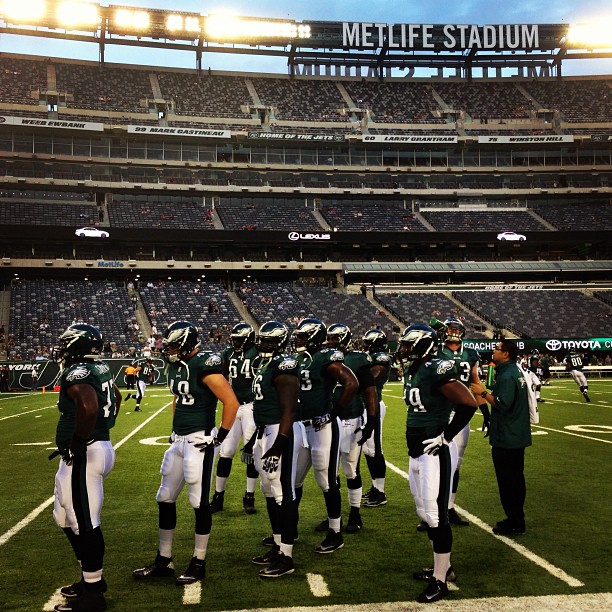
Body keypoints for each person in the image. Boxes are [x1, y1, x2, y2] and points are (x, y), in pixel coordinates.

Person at [132, 321, 239, 586]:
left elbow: (231, 401)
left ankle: (198, 561)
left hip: (198, 441)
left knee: (198, 501)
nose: (169, 349)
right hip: (178, 440)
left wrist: (219, 436)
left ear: (189, 343)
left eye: (175, 344)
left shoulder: (204, 364)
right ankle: (164, 559)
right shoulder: (176, 367)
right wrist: (173, 428)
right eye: (168, 344)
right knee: (165, 497)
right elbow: (177, 399)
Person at [396, 323, 478, 604]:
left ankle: (441, 580)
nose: (404, 349)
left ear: (424, 345)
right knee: (424, 513)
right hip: (416, 450)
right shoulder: (416, 368)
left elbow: (468, 404)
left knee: (436, 515)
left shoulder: (437, 368)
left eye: (409, 345)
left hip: (435, 451)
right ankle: (443, 567)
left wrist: (446, 436)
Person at [50, 324, 121, 612]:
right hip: (89, 450)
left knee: (85, 522)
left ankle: (93, 593)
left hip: (86, 453)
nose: (62, 349)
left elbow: (90, 407)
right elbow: (114, 396)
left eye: (66, 344)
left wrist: (79, 441)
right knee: (64, 517)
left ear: (76, 346)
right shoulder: (100, 368)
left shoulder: (77, 372)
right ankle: (89, 578)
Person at [293, 317, 358, 554]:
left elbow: (351, 383)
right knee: (294, 481)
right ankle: (290, 529)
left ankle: (335, 532)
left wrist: (334, 412)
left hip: (322, 427)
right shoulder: (300, 359)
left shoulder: (325, 358)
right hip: (301, 427)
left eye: (303, 336)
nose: (298, 340)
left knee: (326, 481)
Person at [248, 320, 301, 578]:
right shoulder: (265, 364)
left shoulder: (285, 365)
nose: (263, 344)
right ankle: (279, 545)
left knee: (283, 493)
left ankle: (287, 556)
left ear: (280, 342)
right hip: (264, 431)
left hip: (280, 431)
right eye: (262, 340)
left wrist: (280, 443)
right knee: (268, 490)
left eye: (269, 341)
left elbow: (289, 408)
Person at [430, 317, 490, 529]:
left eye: (457, 328)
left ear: (462, 332)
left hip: (460, 412)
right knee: (432, 462)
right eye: (451, 328)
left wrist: (485, 411)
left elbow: (474, 381)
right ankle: (430, 510)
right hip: (438, 410)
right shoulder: (435, 349)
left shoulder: (470, 353)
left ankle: (449, 507)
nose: (454, 331)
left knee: (455, 464)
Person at [318, 323, 377, 534]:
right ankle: (333, 516)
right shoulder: (322, 358)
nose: (330, 342)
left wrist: (371, 421)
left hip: (350, 419)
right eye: (329, 338)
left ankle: (355, 513)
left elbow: (370, 392)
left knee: (351, 469)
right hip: (328, 421)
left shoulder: (357, 359)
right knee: (328, 472)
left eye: (334, 339)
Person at [471, 338, 532, 537]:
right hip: (515, 434)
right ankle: (516, 517)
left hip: (508, 436)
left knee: (508, 481)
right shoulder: (513, 371)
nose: (493, 352)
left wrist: (483, 393)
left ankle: (515, 521)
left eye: (497, 349)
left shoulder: (507, 375)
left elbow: (502, 404)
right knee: (515, 479)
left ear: (506, 354)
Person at [210, 322, 259, 515]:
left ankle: (249, 496)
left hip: (250, 406)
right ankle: (218, 496)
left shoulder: (256, 353)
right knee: (226, 451)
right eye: (235, 339)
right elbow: (220, 375)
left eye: (240, 339)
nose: (236, 342)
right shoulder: (228, 354)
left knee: (250, 452)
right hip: (233, 406)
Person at [360, 328, 392, 508]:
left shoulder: (382, 357)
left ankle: (380, 492)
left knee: (374, 449)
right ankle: (375, 486)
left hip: (374, 405)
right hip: (365, 406)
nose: (365, 346)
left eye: (367, 342)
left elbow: (372, 375)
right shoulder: (372, 356)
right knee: (367, 449)